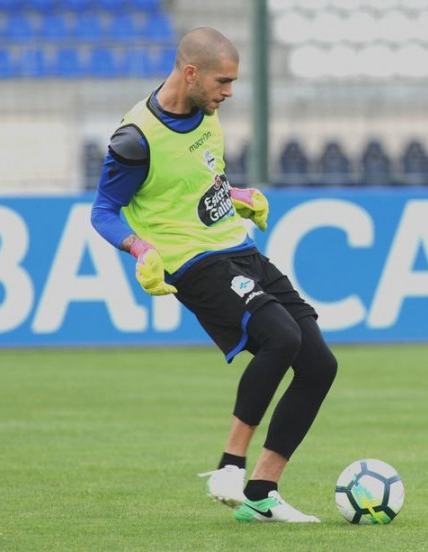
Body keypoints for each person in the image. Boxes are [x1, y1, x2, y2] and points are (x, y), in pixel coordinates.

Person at [90, 27, 337, 523]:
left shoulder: (208, 115)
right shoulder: (136, 138)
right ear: (190, 73)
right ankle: (230, 466)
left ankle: (262, 495)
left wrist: (238, 197)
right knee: (280, 337)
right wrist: (140, 248)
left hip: (238, 250)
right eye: (223, 81)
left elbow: (202, 181)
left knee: (319, 365)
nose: (229, 92)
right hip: (193, 263)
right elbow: (104, 211)